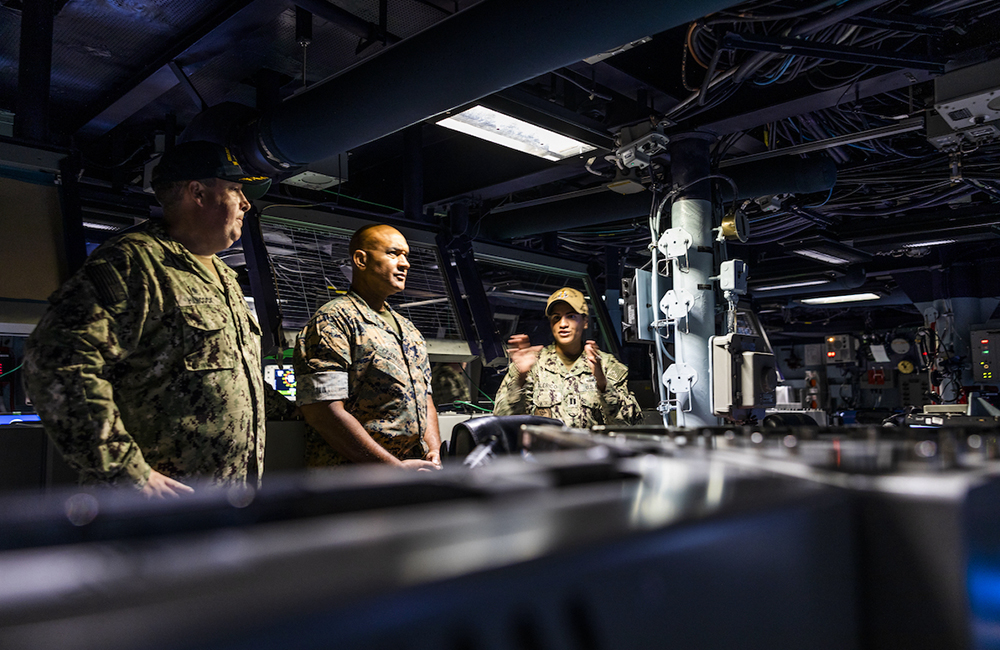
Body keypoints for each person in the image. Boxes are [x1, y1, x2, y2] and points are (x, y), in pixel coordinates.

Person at [24, 140, 274, 497]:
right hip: (156, 512)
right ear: (197, 192)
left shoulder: (226, 279)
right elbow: (56, 361)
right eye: (235, 189)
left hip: (226, 502)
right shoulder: (136, 264)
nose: (247, 203)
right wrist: (128, 472)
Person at [293, 224, 441, 470]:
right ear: (361, 260)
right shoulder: (334, 320)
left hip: (410, 471)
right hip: (353, 477)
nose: (405, 263)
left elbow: (425, 398)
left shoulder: (409, 330)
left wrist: (433, 449)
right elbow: (322, 412)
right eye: (394, 254)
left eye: (406, 255)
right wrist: (392, 468)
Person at [493, 287, 641, 428]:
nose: (563, 324)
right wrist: (520, 379)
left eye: (571, 316)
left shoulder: (606, 365)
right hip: (544, 452)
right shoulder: (533, 364)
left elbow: (630, 423)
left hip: (592, 452)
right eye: (556, 318)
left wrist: (602, 384)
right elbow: (502, 419)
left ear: (585, 322)